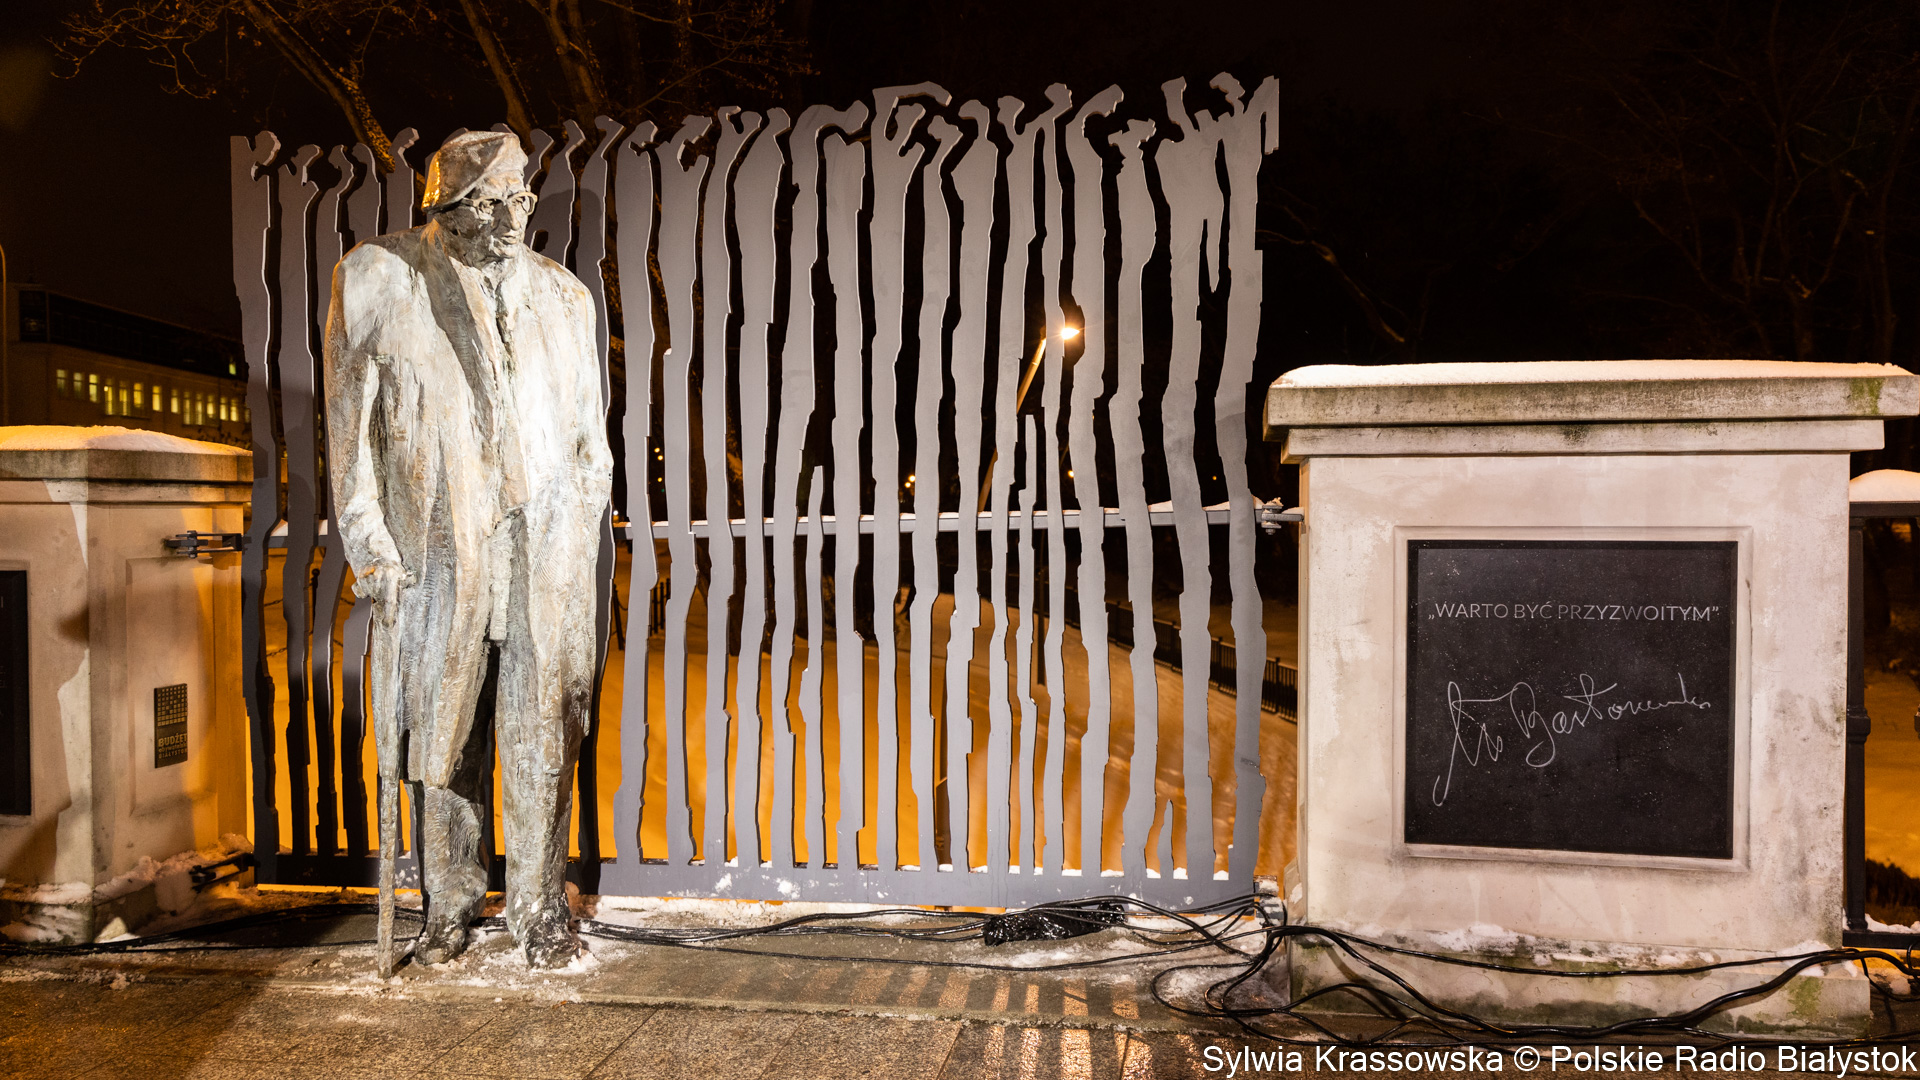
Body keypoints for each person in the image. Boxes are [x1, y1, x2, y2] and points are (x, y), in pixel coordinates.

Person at [324, 130, 612, 969]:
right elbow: (349, 430)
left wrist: (575, 517)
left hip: (544, 548)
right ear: (444, 207)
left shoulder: (564, 297)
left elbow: (592, 441)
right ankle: (448, 903)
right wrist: (369, 539)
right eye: (489, 203)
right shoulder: (379, 277)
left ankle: (536, 907)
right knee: (446, 734)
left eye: (520, 199)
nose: (510, 218)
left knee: (543, 728)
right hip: (439, 543)